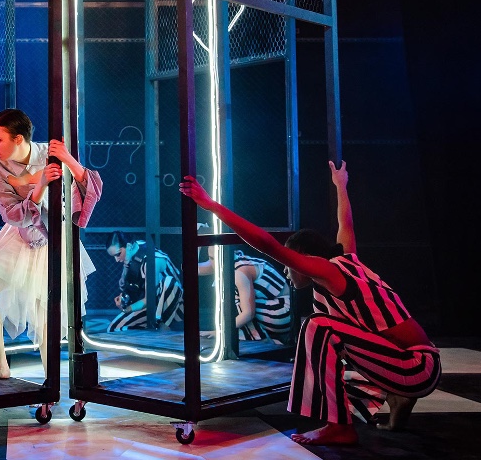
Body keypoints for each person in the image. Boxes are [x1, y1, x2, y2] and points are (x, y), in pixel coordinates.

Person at [180, 161, 440, 445]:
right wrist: (340, 185)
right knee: (327, 343)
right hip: (411, 363)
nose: (286, 269)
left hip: (417, 368)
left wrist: (211, 205)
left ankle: (339, 427)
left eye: (292, 262)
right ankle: (397, 395)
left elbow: (267, 244)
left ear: (306, 259)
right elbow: (346, 224)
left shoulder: (328, 271)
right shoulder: (345, 261)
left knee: (318, 326)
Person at [0, 109, 102, 382]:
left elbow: (90, 190)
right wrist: (38, 186)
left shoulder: (49, 153)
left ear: (18, 139)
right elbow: (13, 215)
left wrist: (67, 159)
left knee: (46, 312)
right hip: (19, 234)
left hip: (54, 236)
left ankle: (52, 381)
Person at [198, 248, 291, 343]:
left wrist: (220, 332)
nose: (215, 263)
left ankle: (262, 339)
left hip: (285, 312)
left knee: (235, 299)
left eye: (217, 258)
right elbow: (196, 269)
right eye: (211, 258)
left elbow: (248, 313)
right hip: (273, 307)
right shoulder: (230, 259)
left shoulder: (239, 272)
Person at [105, 231, 183, 332]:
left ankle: (163, 327)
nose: (116, 260)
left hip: (176, 305)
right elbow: (127, 286)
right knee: (113, 328)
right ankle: (152, 328)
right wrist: (124, 303)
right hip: (153, 304)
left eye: (118, 254)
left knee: (169, 282)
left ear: (129, 246)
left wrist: (129, 309)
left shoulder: (151, 261)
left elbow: (150, 298)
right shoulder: (134, 250)